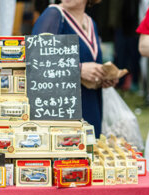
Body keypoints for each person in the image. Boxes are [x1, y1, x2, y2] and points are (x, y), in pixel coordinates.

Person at [33, 0, 114, 136]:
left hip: (90, 103)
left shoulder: (91, 22)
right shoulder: (53, 15)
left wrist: (102, 78)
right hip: (63, 109)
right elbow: (36, 59)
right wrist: (79, 69)